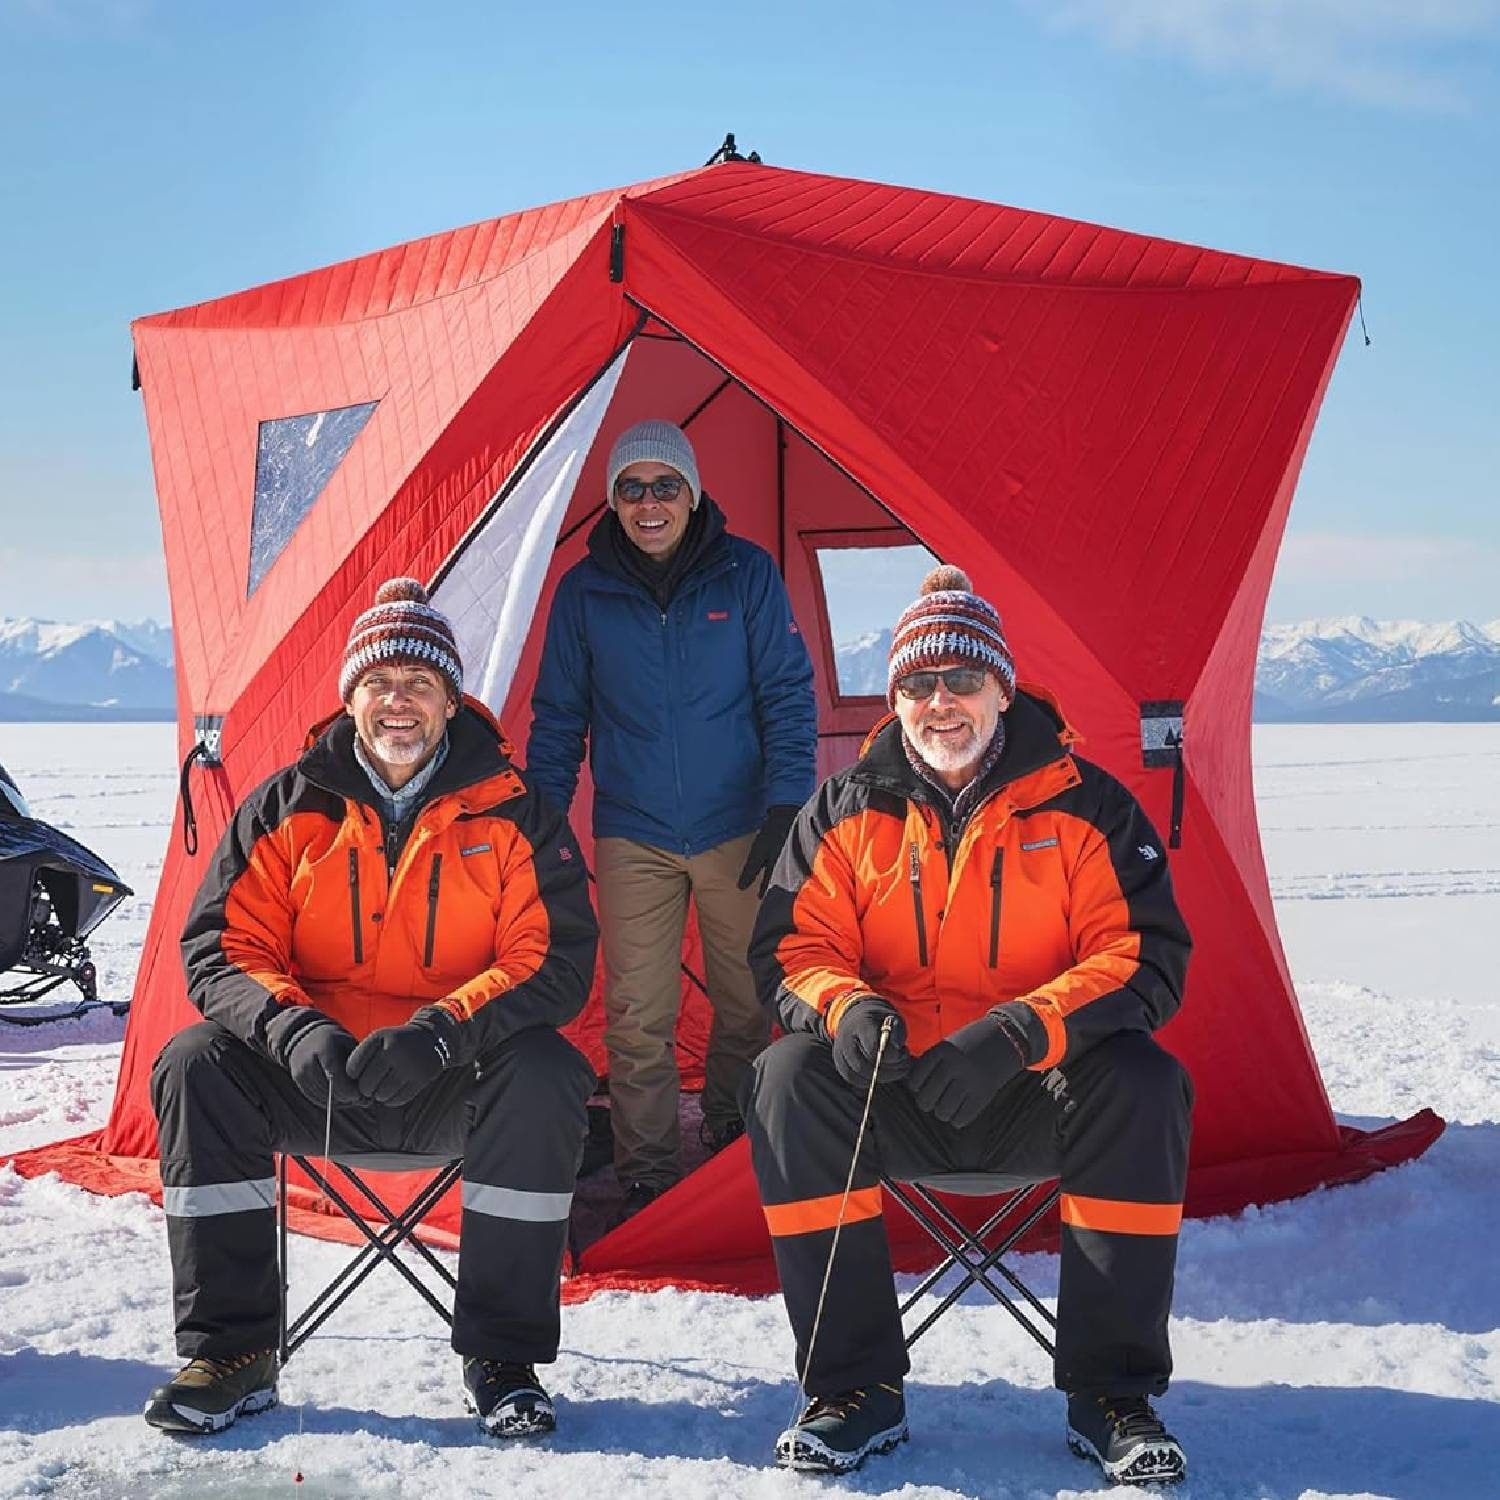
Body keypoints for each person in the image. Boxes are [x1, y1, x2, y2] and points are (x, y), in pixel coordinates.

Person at [744, 565, 1194, 1485]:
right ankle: (852, 1391)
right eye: (917, 683)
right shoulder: (842, 809)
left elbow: (1143, 957)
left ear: (1002, 689)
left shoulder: (1089, 805)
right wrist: (848, 1009)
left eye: (961, 679)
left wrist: (1023, 1031)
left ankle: (1113, 1396)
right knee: (787, 1078)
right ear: (894, 700)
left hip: (1037, 1088)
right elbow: (793, 948)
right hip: (895, 1092)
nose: (939, 702)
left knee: (1145, 1082)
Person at [145, 578, 598, 1439]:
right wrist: (293, 1029)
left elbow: (552, 959)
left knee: (546, 1070)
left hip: (450, 1081)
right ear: (349, 698)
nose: (399, 701)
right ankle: (232, 1353)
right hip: (312, 1079)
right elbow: (223, 947)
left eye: (420, 683)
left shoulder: (515, 812)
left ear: (451, 700)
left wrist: (442, 1032)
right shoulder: (286, 807)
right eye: (379, 682)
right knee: (195, 1061)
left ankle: (503, 1358)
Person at [528, 419, 816, 1217]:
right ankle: (648, 1170)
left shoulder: (746, 574)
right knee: (636, 1013)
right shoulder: (584, 592)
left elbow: (788, 695)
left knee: (747, 998)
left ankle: (731, 1126)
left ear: (692, 495)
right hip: (635, 831)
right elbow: (558, 720)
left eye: (665, 486)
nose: (648, 503)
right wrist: (541, 824)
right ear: (613, 501)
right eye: (631, 488)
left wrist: (788, 806)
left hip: (740, 824)